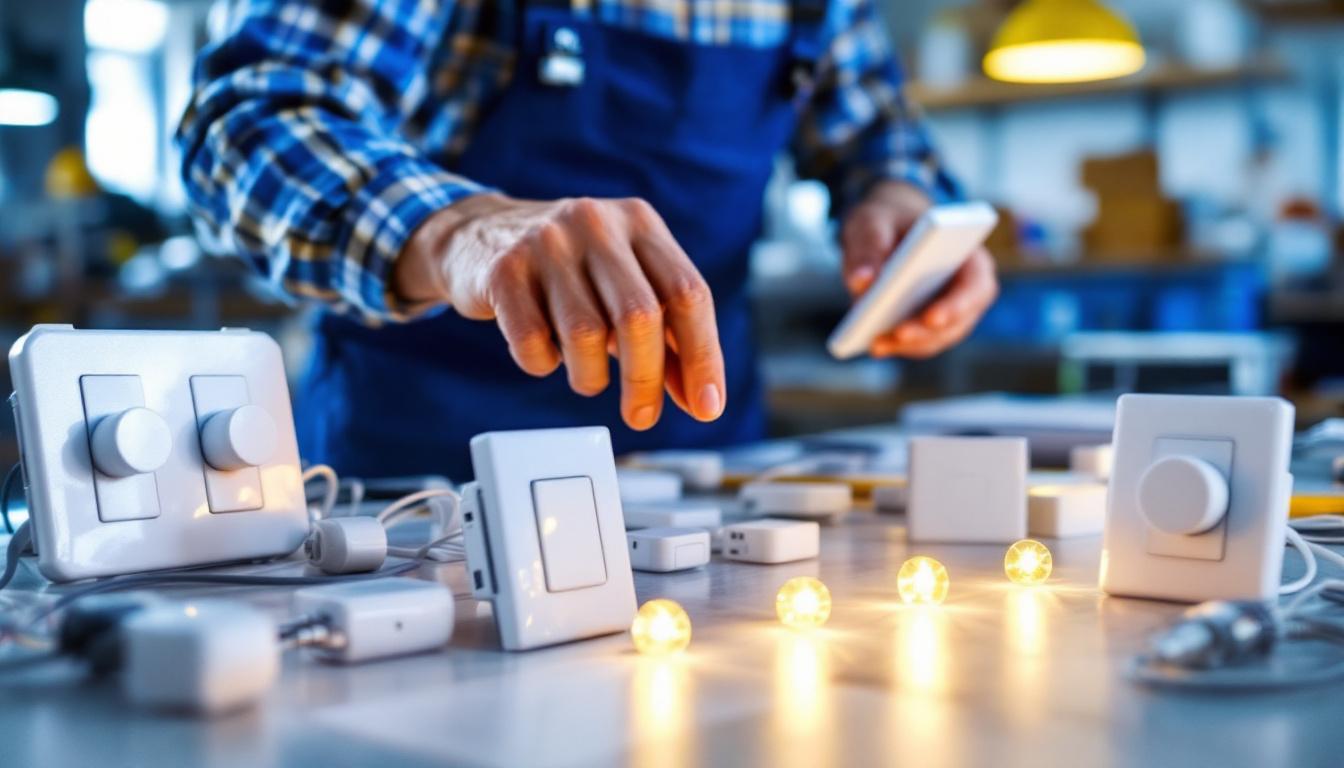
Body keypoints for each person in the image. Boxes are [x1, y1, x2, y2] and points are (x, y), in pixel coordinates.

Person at [178, 0, 998, 479]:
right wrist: (465, 230)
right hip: (422, 480)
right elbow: (248, 122)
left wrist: (900, 199)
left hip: (705, 474)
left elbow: (880, 136)